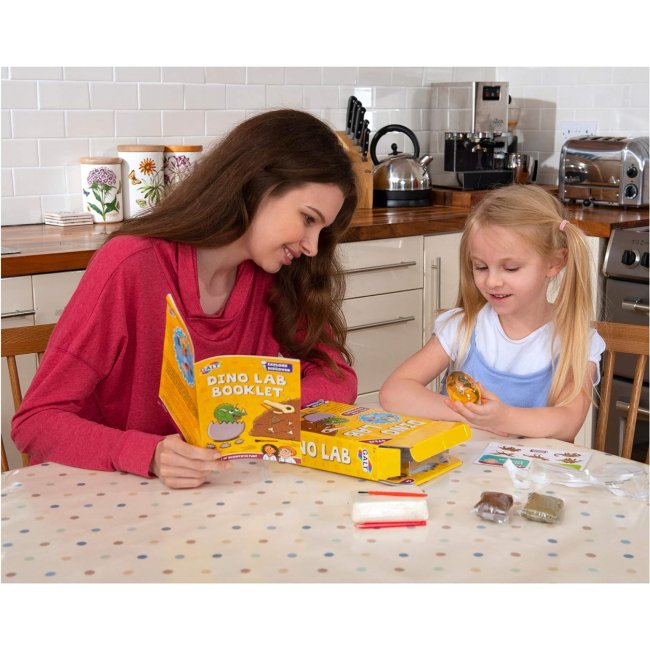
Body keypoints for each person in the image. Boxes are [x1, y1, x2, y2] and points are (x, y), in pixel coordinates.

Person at [12, 109, 359, 488]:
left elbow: (336, 375)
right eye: (308, 219)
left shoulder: (278, 277)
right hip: (111, 493)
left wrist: (264, 407)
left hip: (217, 495)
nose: (312, 247)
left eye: (321, 230)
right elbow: (35, 422)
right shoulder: (131, 265)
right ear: (256, 184)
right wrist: (149, 454)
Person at [379, 184, 605, 442]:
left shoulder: (578, 340)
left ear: (555, 263)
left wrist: (503, 418)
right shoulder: (462, 327)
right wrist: (471, 416)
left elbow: (568, 423)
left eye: (510, 268)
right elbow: (394, 391)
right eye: (481, 267)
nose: (492, 282)